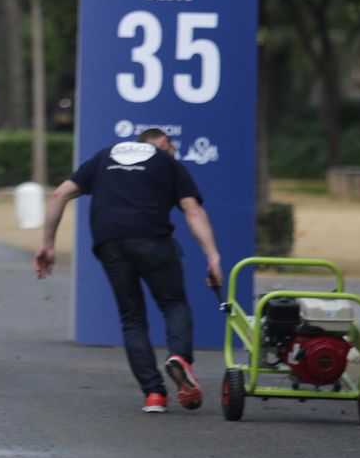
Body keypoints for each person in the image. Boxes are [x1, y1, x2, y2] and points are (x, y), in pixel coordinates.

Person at [35, 127, 224, 414]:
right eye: (172, 148)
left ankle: (154, 395)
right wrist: (213, 257)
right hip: (153, 238)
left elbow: (58, 195)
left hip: (109, 241)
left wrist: (48, 245)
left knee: (132, 317)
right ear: (163, 143)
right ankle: (180, 359)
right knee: (173, 304)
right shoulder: (166, 161)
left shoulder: (103, 157)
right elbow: (193, 211)